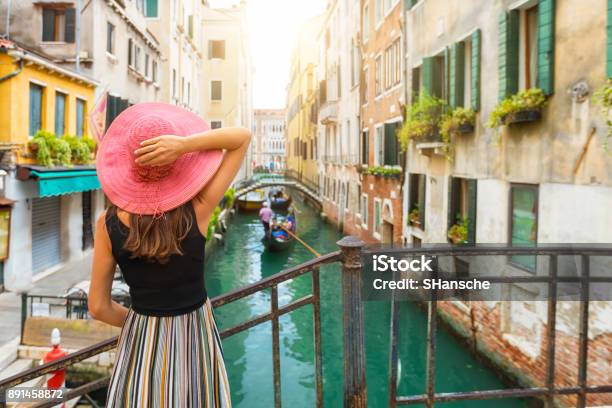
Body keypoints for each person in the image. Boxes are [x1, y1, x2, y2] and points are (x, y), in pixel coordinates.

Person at [89, 103, 250, 407]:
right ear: (177, 165)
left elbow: (98, 306)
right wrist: (184, 145)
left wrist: (142, 323)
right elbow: (241, 137)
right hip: (194, 335)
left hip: (142, 339)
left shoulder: (106, 224)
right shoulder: (199, 210)